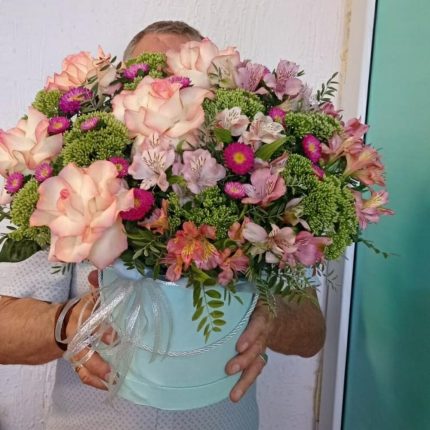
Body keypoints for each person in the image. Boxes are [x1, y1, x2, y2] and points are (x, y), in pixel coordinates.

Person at [0, 21, 326, 430]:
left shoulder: (260, 189)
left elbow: (312, 333)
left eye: (187, 82)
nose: (168, 94)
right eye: (151, 81)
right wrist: (67, 325)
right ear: (117, 98)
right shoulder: (70, 185)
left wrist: (272, 317)